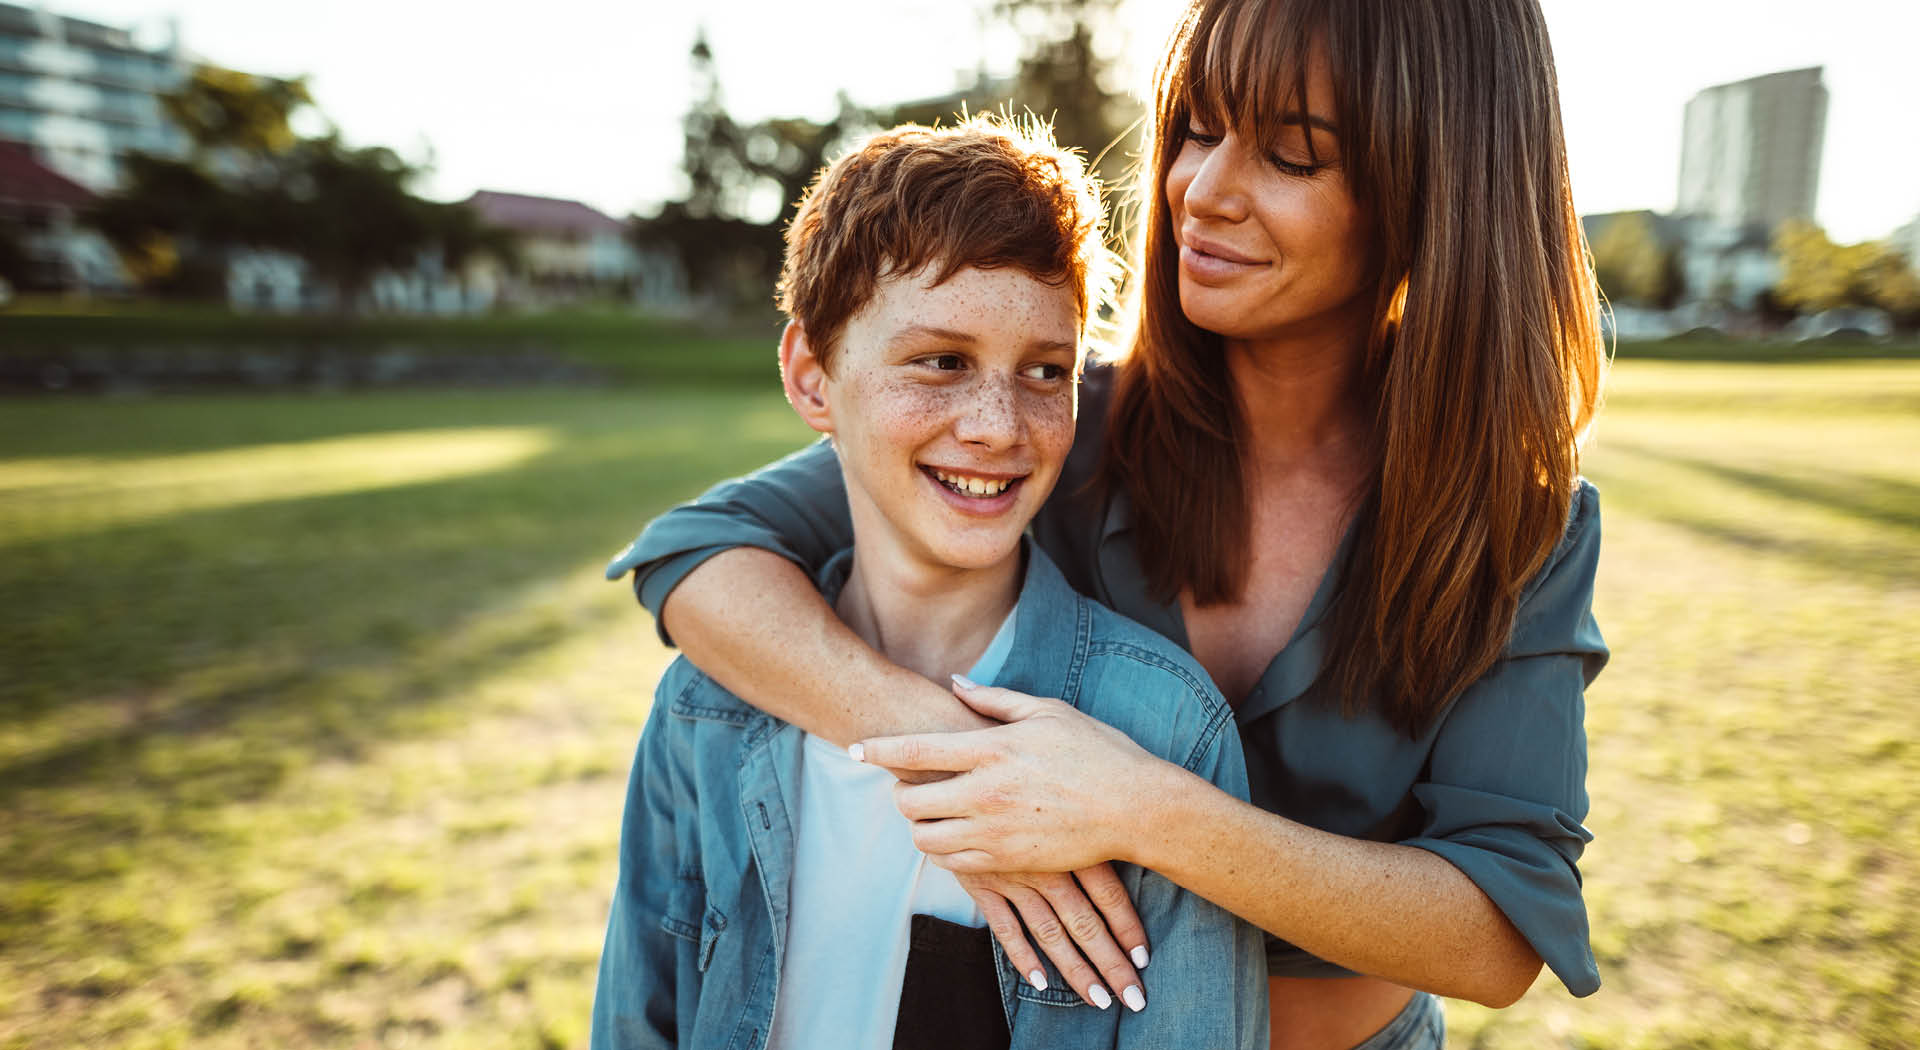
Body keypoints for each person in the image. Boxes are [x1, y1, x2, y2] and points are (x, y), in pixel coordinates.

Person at [606, 1, 1610, 1047]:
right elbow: (694, 561)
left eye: (1291, 157)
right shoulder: (1052, 427)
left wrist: (1142, 809)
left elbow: (1500, 934)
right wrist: (970, 764)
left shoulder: (1517, 521)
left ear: (1432, 189)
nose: (1201, 192)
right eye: (1199, 130)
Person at [590, 116, 1267, 1050]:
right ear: (811, 378)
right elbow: (639, 1020)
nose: (997, 424)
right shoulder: (707, 708)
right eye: (941, 361)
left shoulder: (1161, 725)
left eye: (1045, 370)